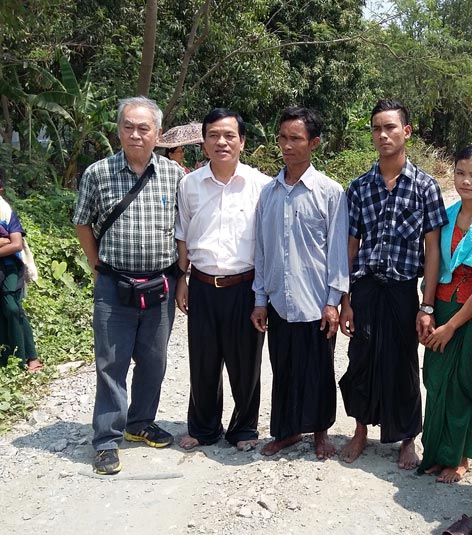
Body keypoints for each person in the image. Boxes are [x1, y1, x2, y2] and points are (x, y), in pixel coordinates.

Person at [74, 96, 185, 475]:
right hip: (113, 285)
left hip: (160, 285)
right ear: (118, 130)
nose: (136, 134)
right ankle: (107, 439)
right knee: (111, 363)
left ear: (157, 133)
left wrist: (182, 276)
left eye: (144, 128)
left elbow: (183, 230)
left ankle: (140, 422)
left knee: (154, 360)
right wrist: (95, 264)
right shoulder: (97, 173)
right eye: (128, 127)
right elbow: (82, 222)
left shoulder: (174, 175)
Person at [338, 99, 448, 469]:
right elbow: (350, 247)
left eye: (390, 127)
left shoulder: (425, 188)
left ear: (407, 131)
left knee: (403, 364)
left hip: (403, 290)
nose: (383, 135)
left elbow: (432, 250)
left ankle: (406, 438)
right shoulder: (359, 188)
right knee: (361, 359)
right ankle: (359, 429)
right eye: (376, 128)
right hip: (366, 288)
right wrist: (346, 300)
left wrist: (427, 304)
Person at [250, 107, 348, 460]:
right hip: (279, 300)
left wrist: (333, 301)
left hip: (315, 300)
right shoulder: (269, 193)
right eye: (282, 138)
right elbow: (261, 249)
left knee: (319, 370)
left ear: (314, 143)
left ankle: (321, 433)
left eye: (296, 139)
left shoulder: (330, 192)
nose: (287, 146)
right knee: (284, 369)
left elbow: (338, 251)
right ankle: (287, 432)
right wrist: (260, 299)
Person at [175, 108, 271, 452]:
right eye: (214, 135)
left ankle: (244, 428)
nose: (222, 142)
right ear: (203, 143)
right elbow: (183, 234)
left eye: (230, 135)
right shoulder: (189, 184)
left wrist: (263, 296)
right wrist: (182, 279)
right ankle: (203, 427)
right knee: (203, 361)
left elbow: (267, 241)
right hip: (201, 284)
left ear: (242, 142)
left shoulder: (261, 186)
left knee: (246, 362)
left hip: (244, 286)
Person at [418, 145, 472, 483]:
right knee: (437, 380)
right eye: (460, 173)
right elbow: (434, 265)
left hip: (470, 316)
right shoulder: (446, 216)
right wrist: (427, 309)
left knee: (466, 383)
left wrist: (452, 326)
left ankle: (459, 457)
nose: (466, 181)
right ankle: (435, 453)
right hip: (440, 305)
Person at [0, 175, 42, 372]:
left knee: (12, 308)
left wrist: (6, 242)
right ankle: (8, 358)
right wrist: (3, 241)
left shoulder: (6, 213)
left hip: (10, 267)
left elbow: (16, 244)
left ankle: (29, 356)